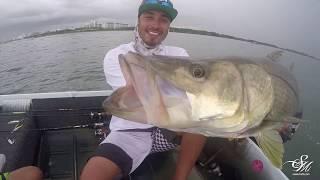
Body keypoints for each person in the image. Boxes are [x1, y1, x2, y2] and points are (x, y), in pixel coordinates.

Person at [80, 0, 206, 180]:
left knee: (200, 120)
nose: (155, 25)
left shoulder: (179, 54)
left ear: (169, 26)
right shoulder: (117, 55)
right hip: (130, 133)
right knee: (93, 174)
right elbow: (140, 97)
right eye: (149, 17)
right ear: (138, 20)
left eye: (163, 20)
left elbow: (190, 95)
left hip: (169, 130)